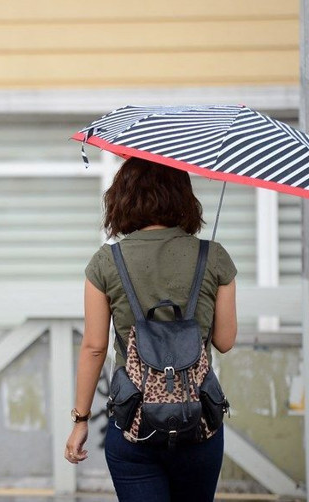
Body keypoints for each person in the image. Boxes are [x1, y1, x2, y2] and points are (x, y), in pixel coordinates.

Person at [64, 158, 238, 502]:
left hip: (132, 424)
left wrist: (81, 420)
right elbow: (225, 341)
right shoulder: (213, 256)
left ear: (122, 198)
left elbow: (95, 347)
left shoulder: (105, 262)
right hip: (198, 422)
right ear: (184, 198)